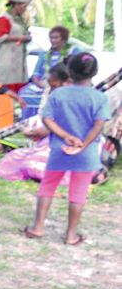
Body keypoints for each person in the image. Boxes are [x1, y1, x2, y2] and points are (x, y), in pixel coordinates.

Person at [23, 52, 111, 245]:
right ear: (94, 73)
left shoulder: (59, 94)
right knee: (78, 192)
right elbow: (98, 126)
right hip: (85, 154)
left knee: (48, 186)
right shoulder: (99, 98)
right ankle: (71, 235)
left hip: (59, 150)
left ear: (70, 71)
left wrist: (65, 136)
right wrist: (83, 144)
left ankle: (37, 227)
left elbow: (47, 119)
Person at [0, 0, 32, 92]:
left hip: (18, 59)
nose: (25, 9)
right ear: (16, 5)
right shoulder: (4, 18)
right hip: (6, 58)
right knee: (7, 83)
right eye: (24, 6)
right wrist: (21, 38)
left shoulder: (20, 20)